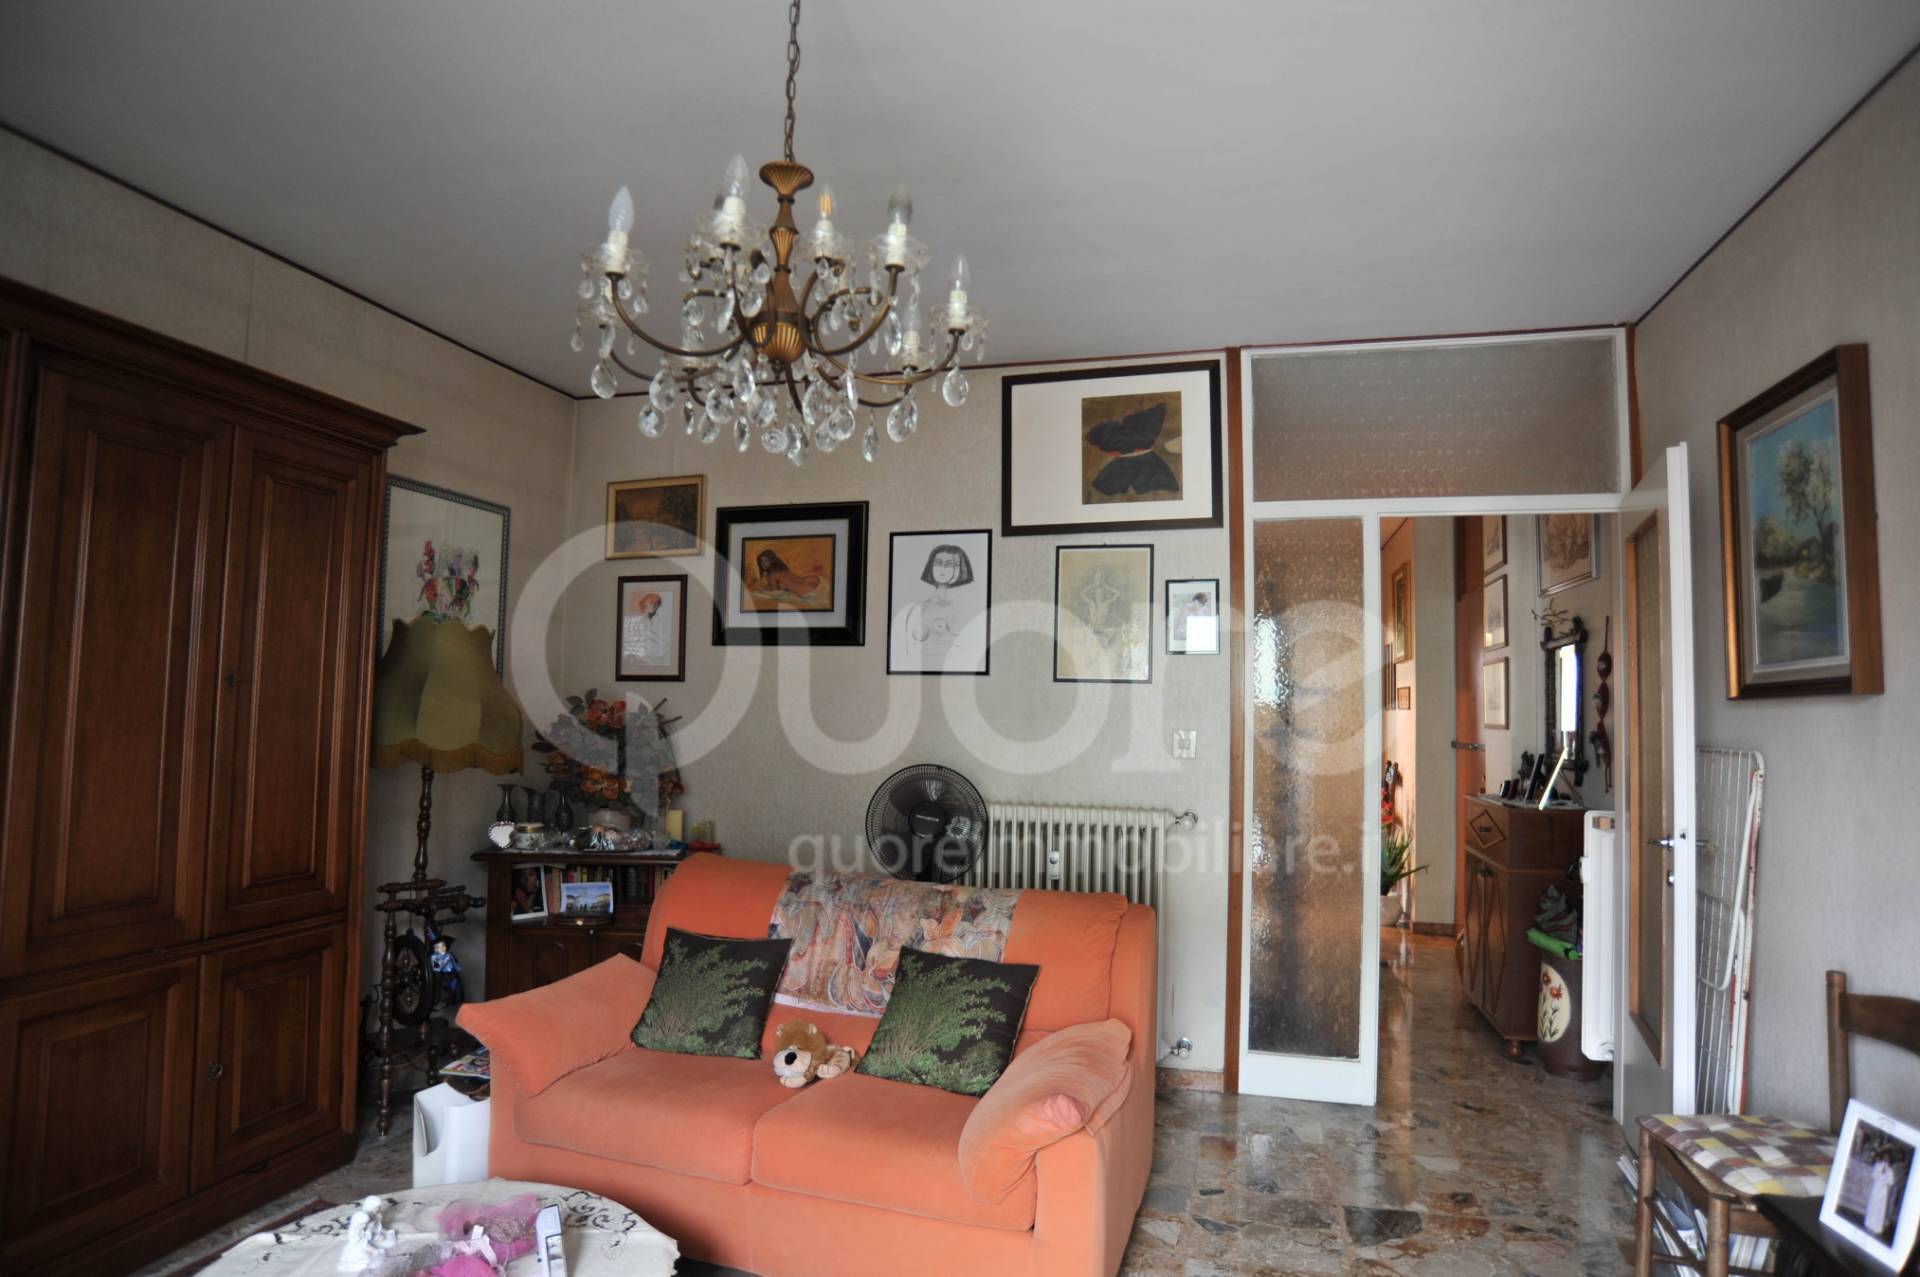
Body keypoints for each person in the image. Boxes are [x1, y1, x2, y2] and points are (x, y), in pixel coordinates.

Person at [902, 543, 975, 668]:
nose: (943, 569)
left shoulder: (968, 610)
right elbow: (911, 651)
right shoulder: (918, 609)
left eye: (950, 564)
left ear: (962, 568)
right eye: (938, 563)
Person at [752, 547, 822, 600]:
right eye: (761, 561)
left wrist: (767, 582)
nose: (763, 563)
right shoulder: (782, 568)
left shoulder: (772, 574)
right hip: (813, 580)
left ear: (772, 560)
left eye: (766, 560)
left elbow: (775, 592)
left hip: (808, 591)